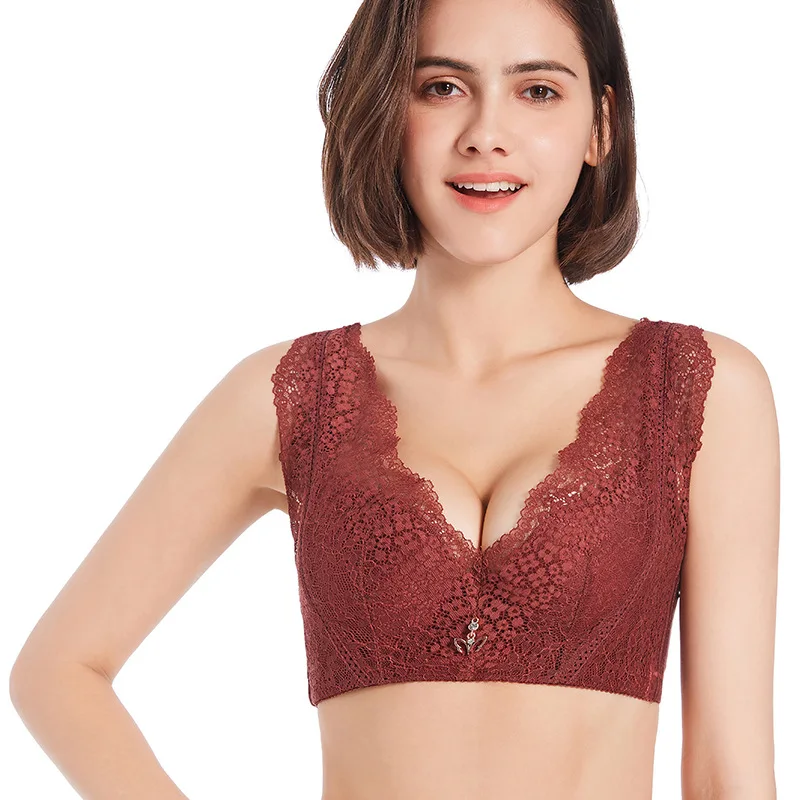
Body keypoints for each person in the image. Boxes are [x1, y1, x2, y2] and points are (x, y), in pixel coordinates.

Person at [10, 0, 779, 798]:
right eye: (443, 87)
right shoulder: (294, 396)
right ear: (386, 113)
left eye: (538, 90)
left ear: (600, 127)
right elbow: (59, 670)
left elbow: (729, 774)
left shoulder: (699, 389)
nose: (486, 133)